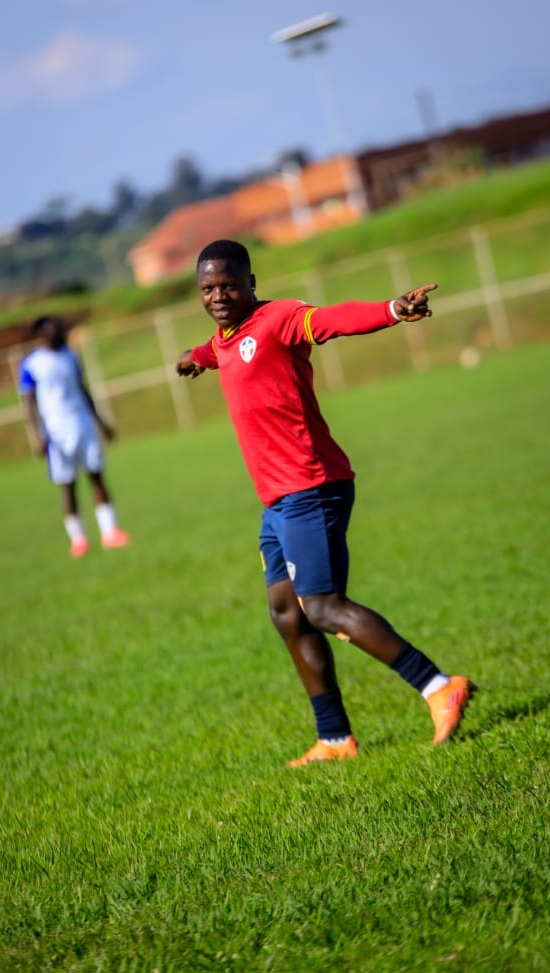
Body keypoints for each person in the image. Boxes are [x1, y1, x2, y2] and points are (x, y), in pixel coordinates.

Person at [176, 239, 475, 767]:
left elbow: (332, 320)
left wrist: (391, 310)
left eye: (228, 285)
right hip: (278, 501)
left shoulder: (279, 318)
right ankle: (335, 738)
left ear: (250, 283)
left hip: (311, 487)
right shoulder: (224, 340)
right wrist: (193, 359)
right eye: (207, 288)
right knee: (288, 613)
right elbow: (216, 350)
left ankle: (438, 685)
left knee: (323, 606)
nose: (218, 295)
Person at [18, 314, 130, 557]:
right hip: (56, 433)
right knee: (67, 485)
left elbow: (83, 390)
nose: (60, 333)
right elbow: (29, 404)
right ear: (43, 333)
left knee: (97, 476)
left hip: (83, 424)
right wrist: (37, 434)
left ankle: (110, 533)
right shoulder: (31, 364)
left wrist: (101, 422)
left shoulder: (71, 356)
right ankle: (78, 540)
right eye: (54, 329)